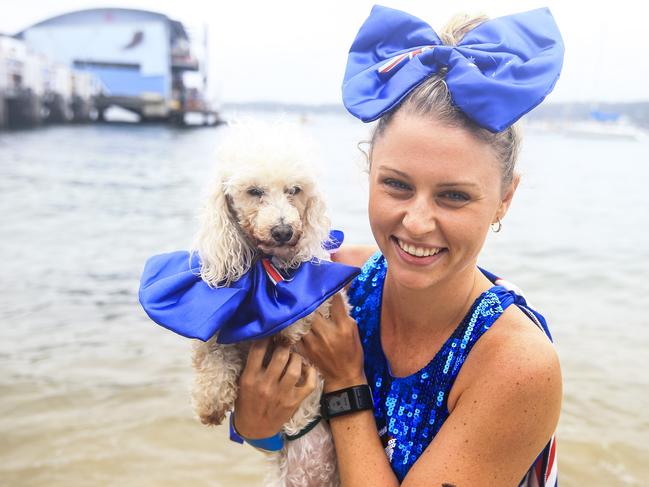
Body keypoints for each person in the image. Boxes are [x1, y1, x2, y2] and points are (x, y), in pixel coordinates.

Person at [233, 5, 564, 486]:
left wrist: (346, 381)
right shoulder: (332, 281)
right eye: (396, 185)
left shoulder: (516, 366)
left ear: (504, 199)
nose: (416, 221)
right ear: (368, 172)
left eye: (454, 196)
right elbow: (267, 429)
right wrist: (256, 420)